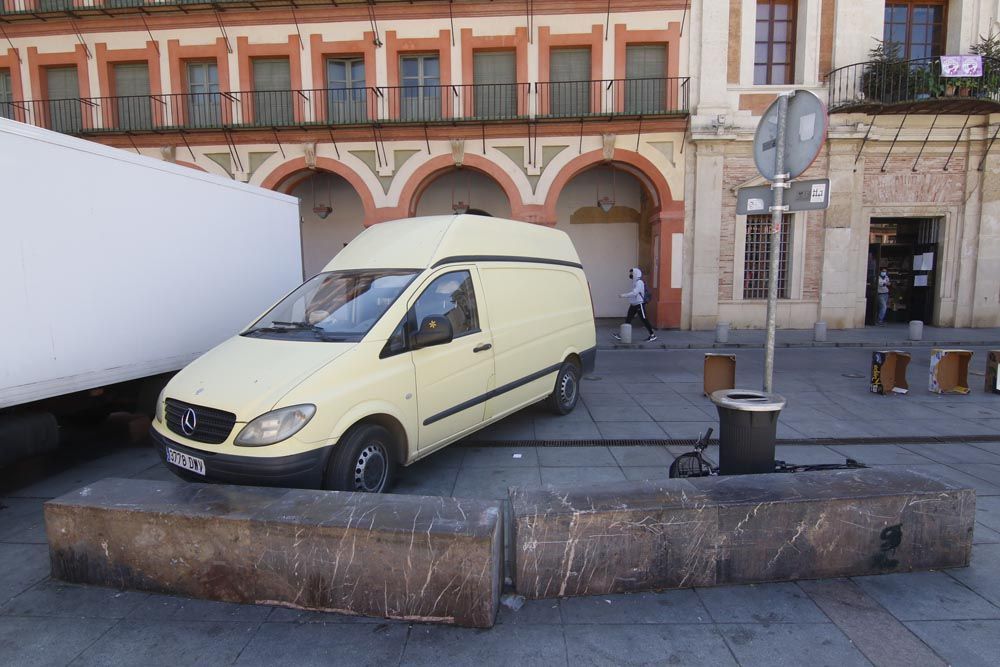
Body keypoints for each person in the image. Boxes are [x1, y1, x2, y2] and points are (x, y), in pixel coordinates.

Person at [612, 267, 657, 342]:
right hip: (633, 304)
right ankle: (622, 334)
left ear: (636, 274)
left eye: (632, 273)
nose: (631, 275)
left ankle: (652, 335)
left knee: (644, 319)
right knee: (628, 319)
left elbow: (635, 293)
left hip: (639, 304)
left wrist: (624, 295)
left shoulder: (639, 282)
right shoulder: (634, 282)